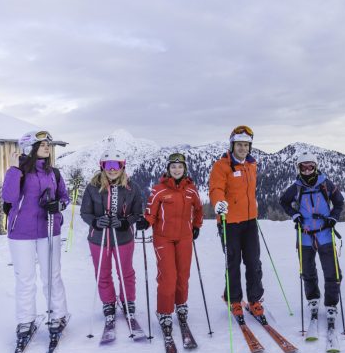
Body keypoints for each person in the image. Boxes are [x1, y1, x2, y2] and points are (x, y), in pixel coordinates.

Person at [1, 130, 70, 341]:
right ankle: (25, 320)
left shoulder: (53, 173)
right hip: (21, 232)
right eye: (42, 144)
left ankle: (58, 315)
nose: (47, 147)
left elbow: (64, 197)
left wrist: (58, 204)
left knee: (52, 275)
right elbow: (9, 197)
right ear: (29, 148)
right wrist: (13, 169)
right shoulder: (18, 171)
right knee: (25, 278)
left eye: (48, 144)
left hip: (49, 229)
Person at [138, 153, 204, 340]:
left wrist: (197, 226)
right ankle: (164, 311)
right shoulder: (159, 190)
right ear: (168, 169)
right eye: (173, 167)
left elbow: (198, 209)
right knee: (168, 277)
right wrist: (146, 222)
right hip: (163, 238)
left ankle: (181, 304)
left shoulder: (191, 190)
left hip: (184, 237)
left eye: (180, 167)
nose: (177, 170)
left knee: (183, 275)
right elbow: (151, 212)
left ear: (185, 169)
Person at [279, 152, 344, 328]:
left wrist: (333, 217)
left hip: (325, 233)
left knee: (332, 272)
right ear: (298, 168)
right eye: (303, 167)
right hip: (305, 234)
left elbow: (339, 202)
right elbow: (283, 202)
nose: (307, 170)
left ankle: (331, 304)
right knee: (307, 271)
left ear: (316, 167)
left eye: (310, 167)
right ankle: (313, 299)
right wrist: (295, 214)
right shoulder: (296, 187)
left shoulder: (325, 184)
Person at [80, 150, 143, 328]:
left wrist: (125, 222)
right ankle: (108, 302)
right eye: (108, 165)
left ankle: (127, 300)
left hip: (123, 238)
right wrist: (96, 222)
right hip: (98, 239)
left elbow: (137, 212)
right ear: (102, 166)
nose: (113, 169)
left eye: (117, 165)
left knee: (126, 272)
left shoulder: (132, 187)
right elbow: (85, 212)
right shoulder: (93, 187)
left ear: (123, 166)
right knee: (103, 273)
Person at [209, 125, 264, 317]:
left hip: (250, 221)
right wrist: (218, 204)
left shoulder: (251, 165)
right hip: (229, 222)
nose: (242, 148)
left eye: (246, 145)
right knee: (233, 262)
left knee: (254, 261)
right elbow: (216, 189)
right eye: (239, 145)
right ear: (232, 145)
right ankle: (233, 299)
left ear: (250, 146)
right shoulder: (221, 166)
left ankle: (255, 299)